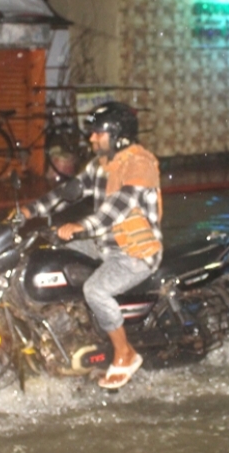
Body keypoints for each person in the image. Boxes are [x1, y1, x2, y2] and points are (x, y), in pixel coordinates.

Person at [21, 102, 162, 389]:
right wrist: (29, 211)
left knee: (95, 289)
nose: (92, 138)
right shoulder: (102, 164)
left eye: (98, 133)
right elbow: (68, 191)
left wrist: (81, 226)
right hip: (105, 245)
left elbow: (117, 209)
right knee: (53, 258)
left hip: (136, 252)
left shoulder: (140, 164)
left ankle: (125, 353)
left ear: (118, 135)